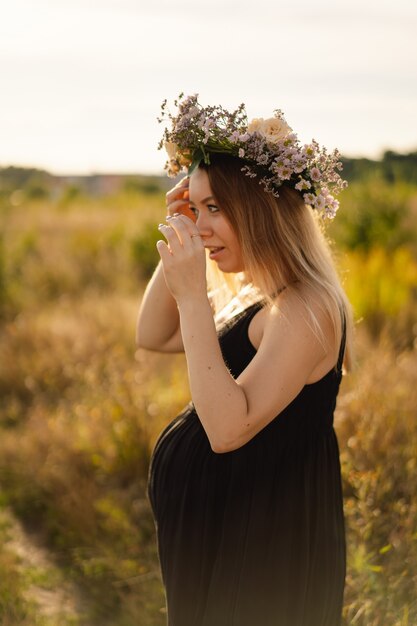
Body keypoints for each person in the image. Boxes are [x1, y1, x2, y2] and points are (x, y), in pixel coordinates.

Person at [136, 94, 353, 626]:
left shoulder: (307, 306)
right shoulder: (260, 291)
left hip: (262, 555)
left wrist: (193, 295)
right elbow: (153, 334)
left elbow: (227, 430)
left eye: (215, 209)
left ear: (262, 209)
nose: (202, 226)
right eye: (195, 207)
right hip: (223, 539)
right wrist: (180, 234)